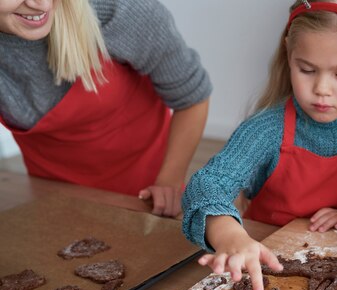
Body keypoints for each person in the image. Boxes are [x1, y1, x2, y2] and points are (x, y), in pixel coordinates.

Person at [183, 0, 337, 290]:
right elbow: (206, 185)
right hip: (268, 276)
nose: (322, 89)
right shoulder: (266, 130)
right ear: (289, 53)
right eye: (306, 69)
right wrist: (230, 235)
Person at [0, 0, 211, 217]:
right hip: (52, 199)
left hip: (146, 198)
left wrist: (170, 181)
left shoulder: (120, 9)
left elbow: (191, 100)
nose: (42, 3)